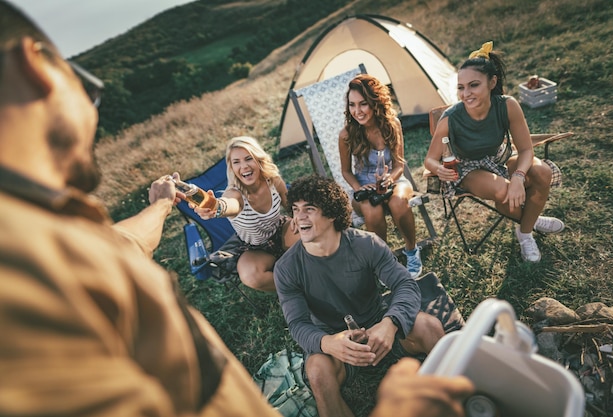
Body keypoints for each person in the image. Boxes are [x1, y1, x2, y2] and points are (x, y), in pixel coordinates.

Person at [0, 3, 473, 416]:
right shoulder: (29, 274)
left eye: (248, 158)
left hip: (334, 275)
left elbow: (119, 244)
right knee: (305, 344)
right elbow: (229, 213)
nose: (93, 112)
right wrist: (334, 348)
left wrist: (163, 209)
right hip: (276, 265)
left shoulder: (64, 235)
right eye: (90, 91)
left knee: (417, 318)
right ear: (38, 70)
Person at [274, 175, 465, 417]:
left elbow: (404, 283)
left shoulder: (366, 244)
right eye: (295, 209)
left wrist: (390, 323)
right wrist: (329, 343)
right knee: (317, 370)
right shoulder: (286, 268)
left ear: (331, 214)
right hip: (336, 344)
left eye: (309, 209)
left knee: (428, 325)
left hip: (379, 322)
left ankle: (461, 397)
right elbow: (298, 324)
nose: (299, 217)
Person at [424, 41, 565, 262]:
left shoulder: (507, 105)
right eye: (461, 87)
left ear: (492, 82)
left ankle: (524, 231)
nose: (466, 93)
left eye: (473, 85)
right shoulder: (451, 118)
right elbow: (429, 160)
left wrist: (518, 177)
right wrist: (438, 169)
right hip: (467, 169)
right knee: (503, 190)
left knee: (542, 172)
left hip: (498, 159)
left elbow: (526, 149)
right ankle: (532, 222)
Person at [338, 74, 422, 277]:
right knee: (372, 211)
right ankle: (385, 262)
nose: (357, 111)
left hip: (393, 179)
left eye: (363, 104)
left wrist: (390, 178)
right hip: (363, 186)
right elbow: (346, 171)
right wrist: (359, 188)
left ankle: (411, 250)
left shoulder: (392, 125)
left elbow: (399, 164)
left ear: (375, 103)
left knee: (399, 202)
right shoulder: (347, 134)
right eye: (352, 105)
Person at [192, 136, 299, 292]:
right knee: (251, 276)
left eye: (248, 159)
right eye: (236, 162)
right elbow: (227, 205)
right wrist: (214, 208)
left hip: (281, 230)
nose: (244, 166)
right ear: (231, 167)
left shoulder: (273, 181)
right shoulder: (234, 194)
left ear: (259, 159)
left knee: (309, 235)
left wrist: (298, 219)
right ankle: (297, 288)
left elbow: (290, 205)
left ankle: (317, 273)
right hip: (254, 248)